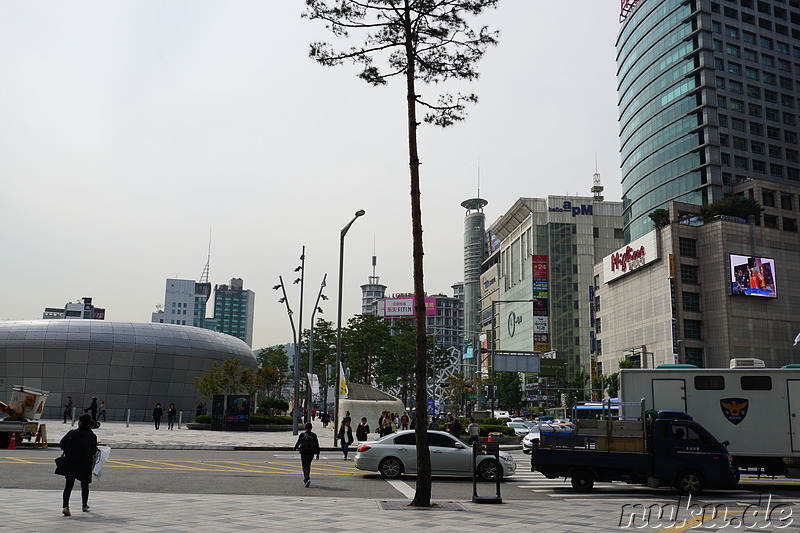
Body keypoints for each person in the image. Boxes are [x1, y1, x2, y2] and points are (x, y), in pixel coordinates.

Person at [60, 413, 98, 516]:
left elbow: (62, 444)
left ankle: (65, 506)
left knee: (68, 485)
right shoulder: (92, 436)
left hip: (71, 462)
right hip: (85, 463)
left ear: (80, 423)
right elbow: (94, 450)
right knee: (84, 485)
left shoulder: (72, 433)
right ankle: (84, 505)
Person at [294, 422, 320, 487]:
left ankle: (306, 478)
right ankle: (307, 478)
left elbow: (298, 442)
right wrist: (317, 454)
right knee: (308, 465)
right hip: (311, 452)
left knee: (304, 466)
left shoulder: (302, 434)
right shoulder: (314, 435)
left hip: (303, 452)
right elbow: (317, 444)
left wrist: (295, 448)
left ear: (305, 427)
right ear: (311, 428)